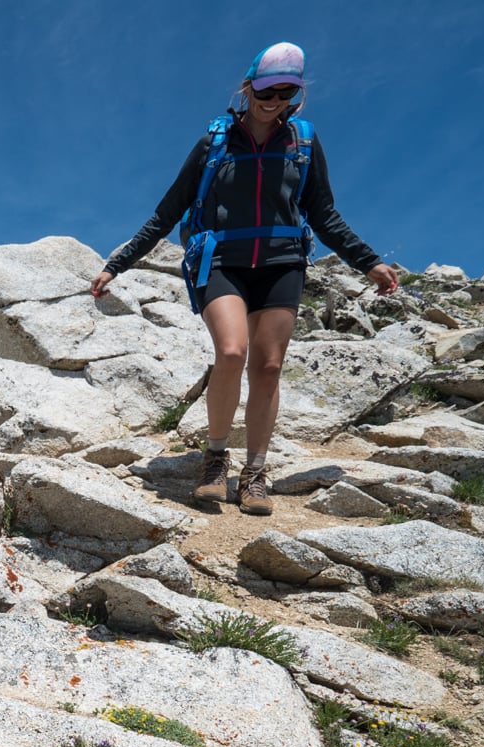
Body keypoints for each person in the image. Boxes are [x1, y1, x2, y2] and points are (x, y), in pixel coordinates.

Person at [88, 42, 400, 516]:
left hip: (282, 264)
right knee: (232, 351)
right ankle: (215, 460)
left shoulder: (304, 143)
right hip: (222, 263)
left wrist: (368, 261)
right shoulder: (215, 141)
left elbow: (325, 214)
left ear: (296, 95)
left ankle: (255, 473)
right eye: (266, 89)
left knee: (269, 368)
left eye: (286, 91)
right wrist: (118, 263)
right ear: (248, 86)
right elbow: (168, 210)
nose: (273, 99)